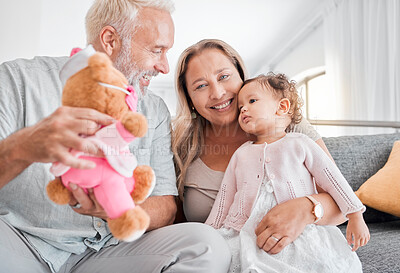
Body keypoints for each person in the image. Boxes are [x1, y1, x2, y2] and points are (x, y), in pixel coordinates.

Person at [0, 1, 230, 273]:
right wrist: (22, 148)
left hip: (109, 252)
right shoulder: (17, 80)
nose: (165, 67)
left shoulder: (153, 109)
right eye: (157, 50)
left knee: (206, 245)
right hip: (23, 243)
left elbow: (167, 205)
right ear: (110, 40)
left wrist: (119, 208)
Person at [172, 39, 348, 255]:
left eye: (224, 76)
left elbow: (343, 205)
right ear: (189, 98)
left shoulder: (286, 122)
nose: (217, 93)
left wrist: (305, 209)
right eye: (200, 85)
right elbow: (175, 225)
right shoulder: (182, 144)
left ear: (241, 76)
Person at [205, 73, 370, 272]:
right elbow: (225, 196)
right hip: (248, 233)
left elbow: (333, 180)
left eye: (252, 101)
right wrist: (209, 232)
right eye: (240, 107)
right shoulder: (241, 154)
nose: (244, 109)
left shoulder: (300, 143)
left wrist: (355, 216)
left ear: (282, 107)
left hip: (301, 231)